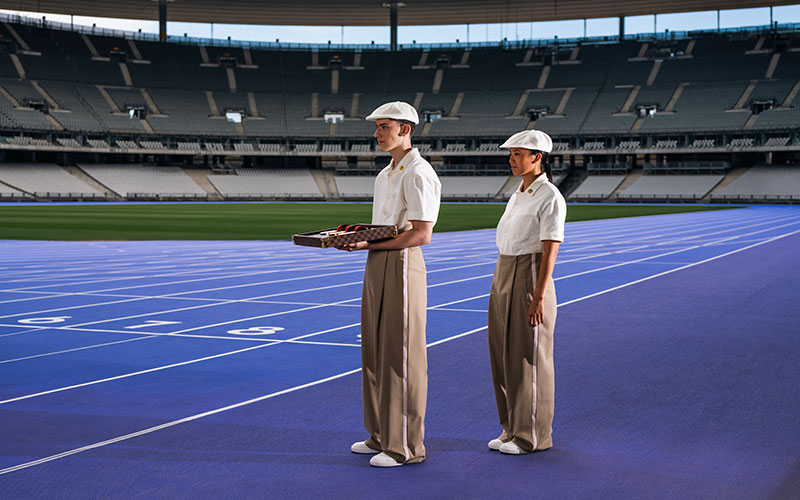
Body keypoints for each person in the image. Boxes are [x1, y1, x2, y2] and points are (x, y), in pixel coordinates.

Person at [336, 101, 441, 467]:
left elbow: (422, 234)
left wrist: (371, 242)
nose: (377, 133)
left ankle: (406, 446)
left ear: (405, 130)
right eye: (378, 127)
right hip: (377, 260)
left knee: (401, 354)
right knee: (375, 350)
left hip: (402, 262)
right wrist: (354, 236)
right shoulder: (385, 174)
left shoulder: (418, 173)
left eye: (384, 127)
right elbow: (385, 226)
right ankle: (380, 434)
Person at [487, 129, 566, 455]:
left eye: (518, 154)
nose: (512, 159)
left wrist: (537, 296)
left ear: (537, 157)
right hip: (503, 271)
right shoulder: (518, 193)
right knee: (503, 356)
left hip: (529, 274)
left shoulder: (549, 196)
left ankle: (532, 435)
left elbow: (550, 251)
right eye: (511, 154)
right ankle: (510, 428)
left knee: (528, 358)